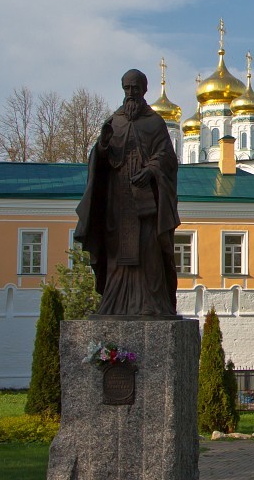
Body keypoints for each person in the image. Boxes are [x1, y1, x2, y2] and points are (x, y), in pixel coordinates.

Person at [75, 69, 179, 317]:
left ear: (144, 90)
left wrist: (151, 170)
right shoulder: (114, 122)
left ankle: (151, 304)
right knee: (116, 251)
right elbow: (100, 159)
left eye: (136, 88)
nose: (131, 93)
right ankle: (113, 303)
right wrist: (101, 146)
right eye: (127, 88)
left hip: (145, 202)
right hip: (118, 201)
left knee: (148, 250)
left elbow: (167, 157)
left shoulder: (154, 123)